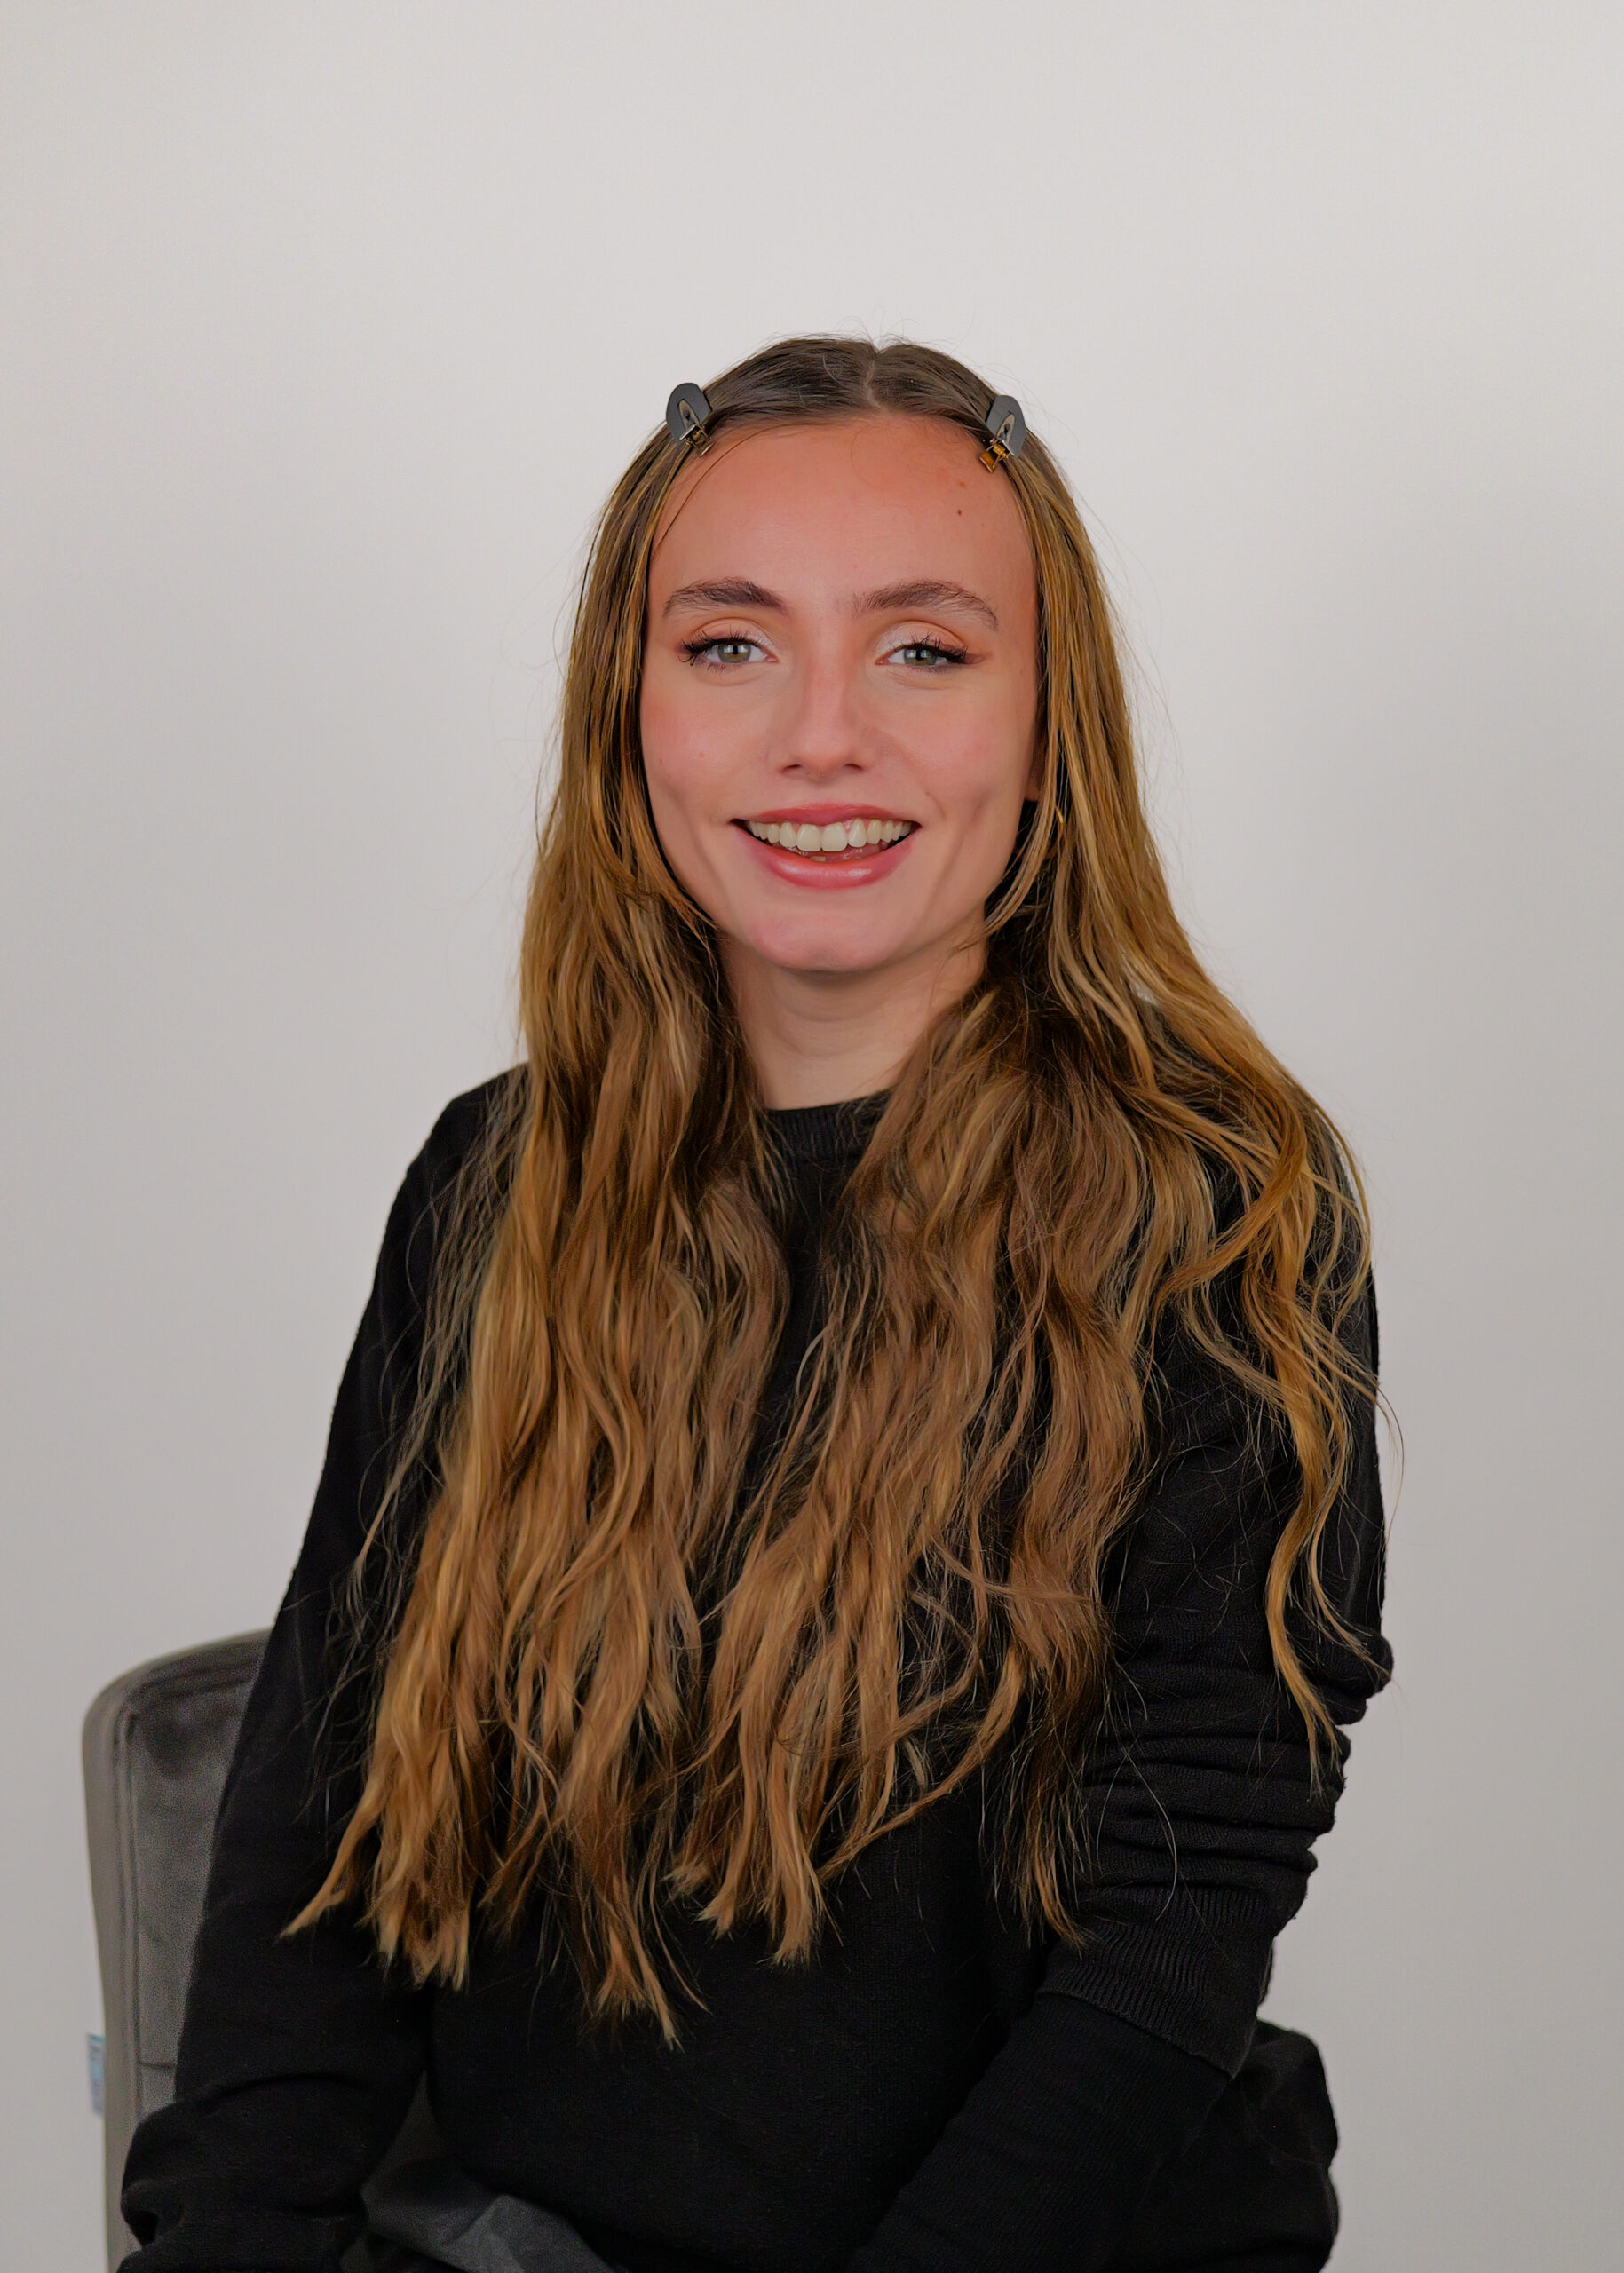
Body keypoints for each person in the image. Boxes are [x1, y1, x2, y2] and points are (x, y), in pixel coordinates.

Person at [120, 337, 1390, 2273]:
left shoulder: (1219, 1207)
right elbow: (325, 1829)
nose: (821, 737)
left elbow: (1173, 1932)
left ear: (1051, 723)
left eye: (923, 649)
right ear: (629, 714)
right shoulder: (495, 1180)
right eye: (729, 644)